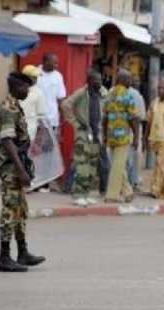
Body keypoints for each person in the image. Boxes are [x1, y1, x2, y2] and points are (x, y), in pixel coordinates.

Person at [0, 72, 46, 272]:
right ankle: (4, 257)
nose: (27, 90)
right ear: (16, 87)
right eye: (25, 87)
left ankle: (22, 252)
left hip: (17, 166)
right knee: (10, 211)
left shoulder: (16, 105)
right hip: (10, 169)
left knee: (20, 211)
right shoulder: (8, 108)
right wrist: (20, 170)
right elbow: (7, 141)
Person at [61, 70, 107, 207]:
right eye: (96, 80)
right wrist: (75, 123)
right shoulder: (81, 93)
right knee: (82, 165)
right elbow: (65, 105)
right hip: (83, 133)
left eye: (100, 79)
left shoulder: (102, 93)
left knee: (92, 165)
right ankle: (78, 195)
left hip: (96, 133)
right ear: (89, 81)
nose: (99, 82)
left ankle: (86, 194)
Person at [103, 69, 139, 203]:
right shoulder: (128, 95)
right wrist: (136, 136)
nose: (130, 81)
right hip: (123, 136)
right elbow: (133, 118)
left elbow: (105, 117)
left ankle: (128, 192)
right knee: (118, 165)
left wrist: (105, 135)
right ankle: (111, 195)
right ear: (122, 80)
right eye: (129, 79)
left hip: (111, 134)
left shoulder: (109, 94)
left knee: (117, 164)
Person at [37, 53, 67, 135]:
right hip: (36, 120)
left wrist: (64, 115)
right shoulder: (35, 73)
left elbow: (60, 98)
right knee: (36, 146)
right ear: (45, 62)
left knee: (50, 146)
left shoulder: (58, 76)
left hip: (52, 119)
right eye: (54, 63)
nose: (56, 65)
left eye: (57, 63)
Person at [128, 75, 147, 191]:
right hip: (133, 130)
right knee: (133, 157)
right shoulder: (138, 96)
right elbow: (141, 117)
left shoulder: (139, 96)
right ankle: (132, 182)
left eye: (138, 81)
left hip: (133, 130)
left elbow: (142, 118)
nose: (137, 83)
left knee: (133, 158)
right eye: (134, 81)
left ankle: (132, 182)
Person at [20, 65, 47, 140]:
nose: (36, 79)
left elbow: (41, 117)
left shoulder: (38, 94)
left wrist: (40, 138)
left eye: (36, 77)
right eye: (33, 77)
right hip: (17, 133)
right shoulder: (17, 90)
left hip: (31, 134)